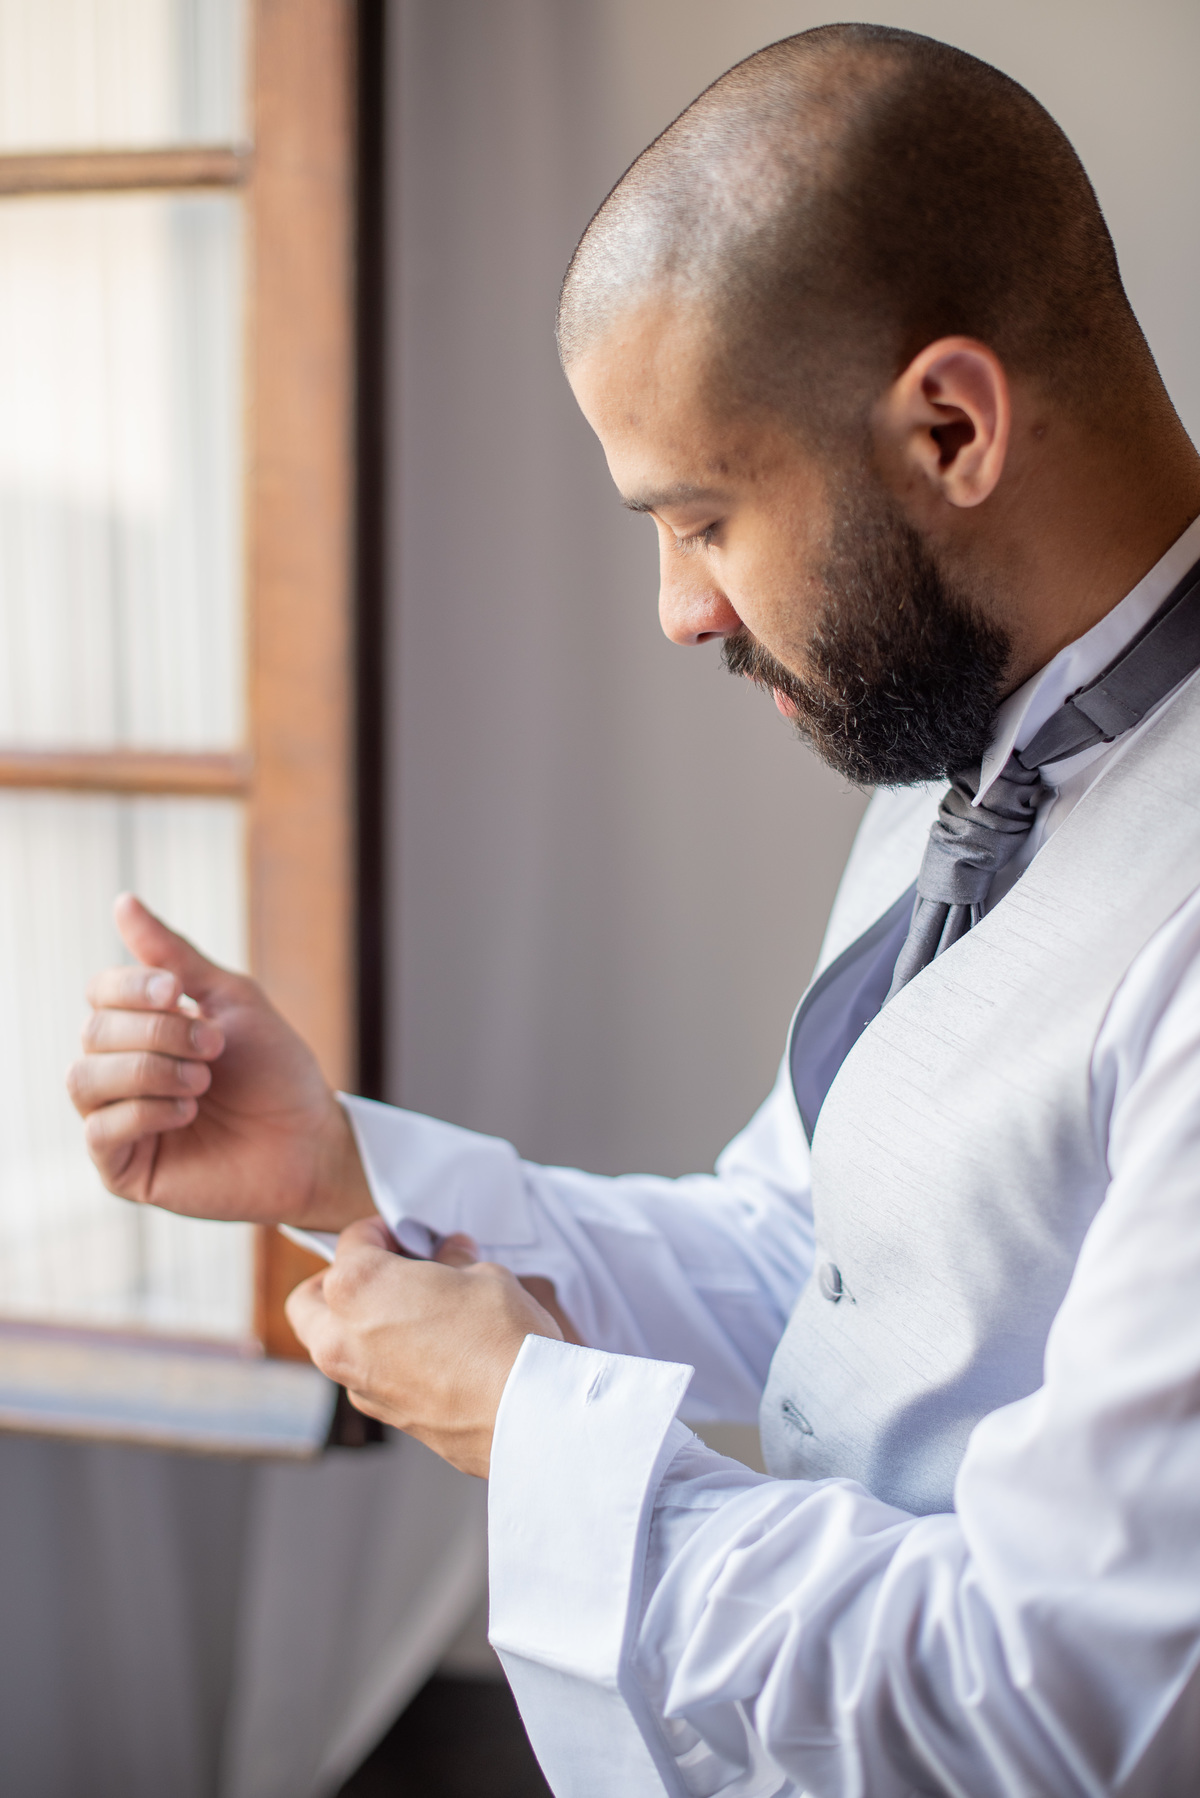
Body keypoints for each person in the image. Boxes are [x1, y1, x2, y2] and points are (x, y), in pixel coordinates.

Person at [67, 24, 1200, 1796]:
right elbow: (807, 1247)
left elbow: (1063, 1689)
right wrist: (343, 1170)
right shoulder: (956, 735)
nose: (677, 611)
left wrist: (548, 1433)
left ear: (951, 427)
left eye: (702, 517)